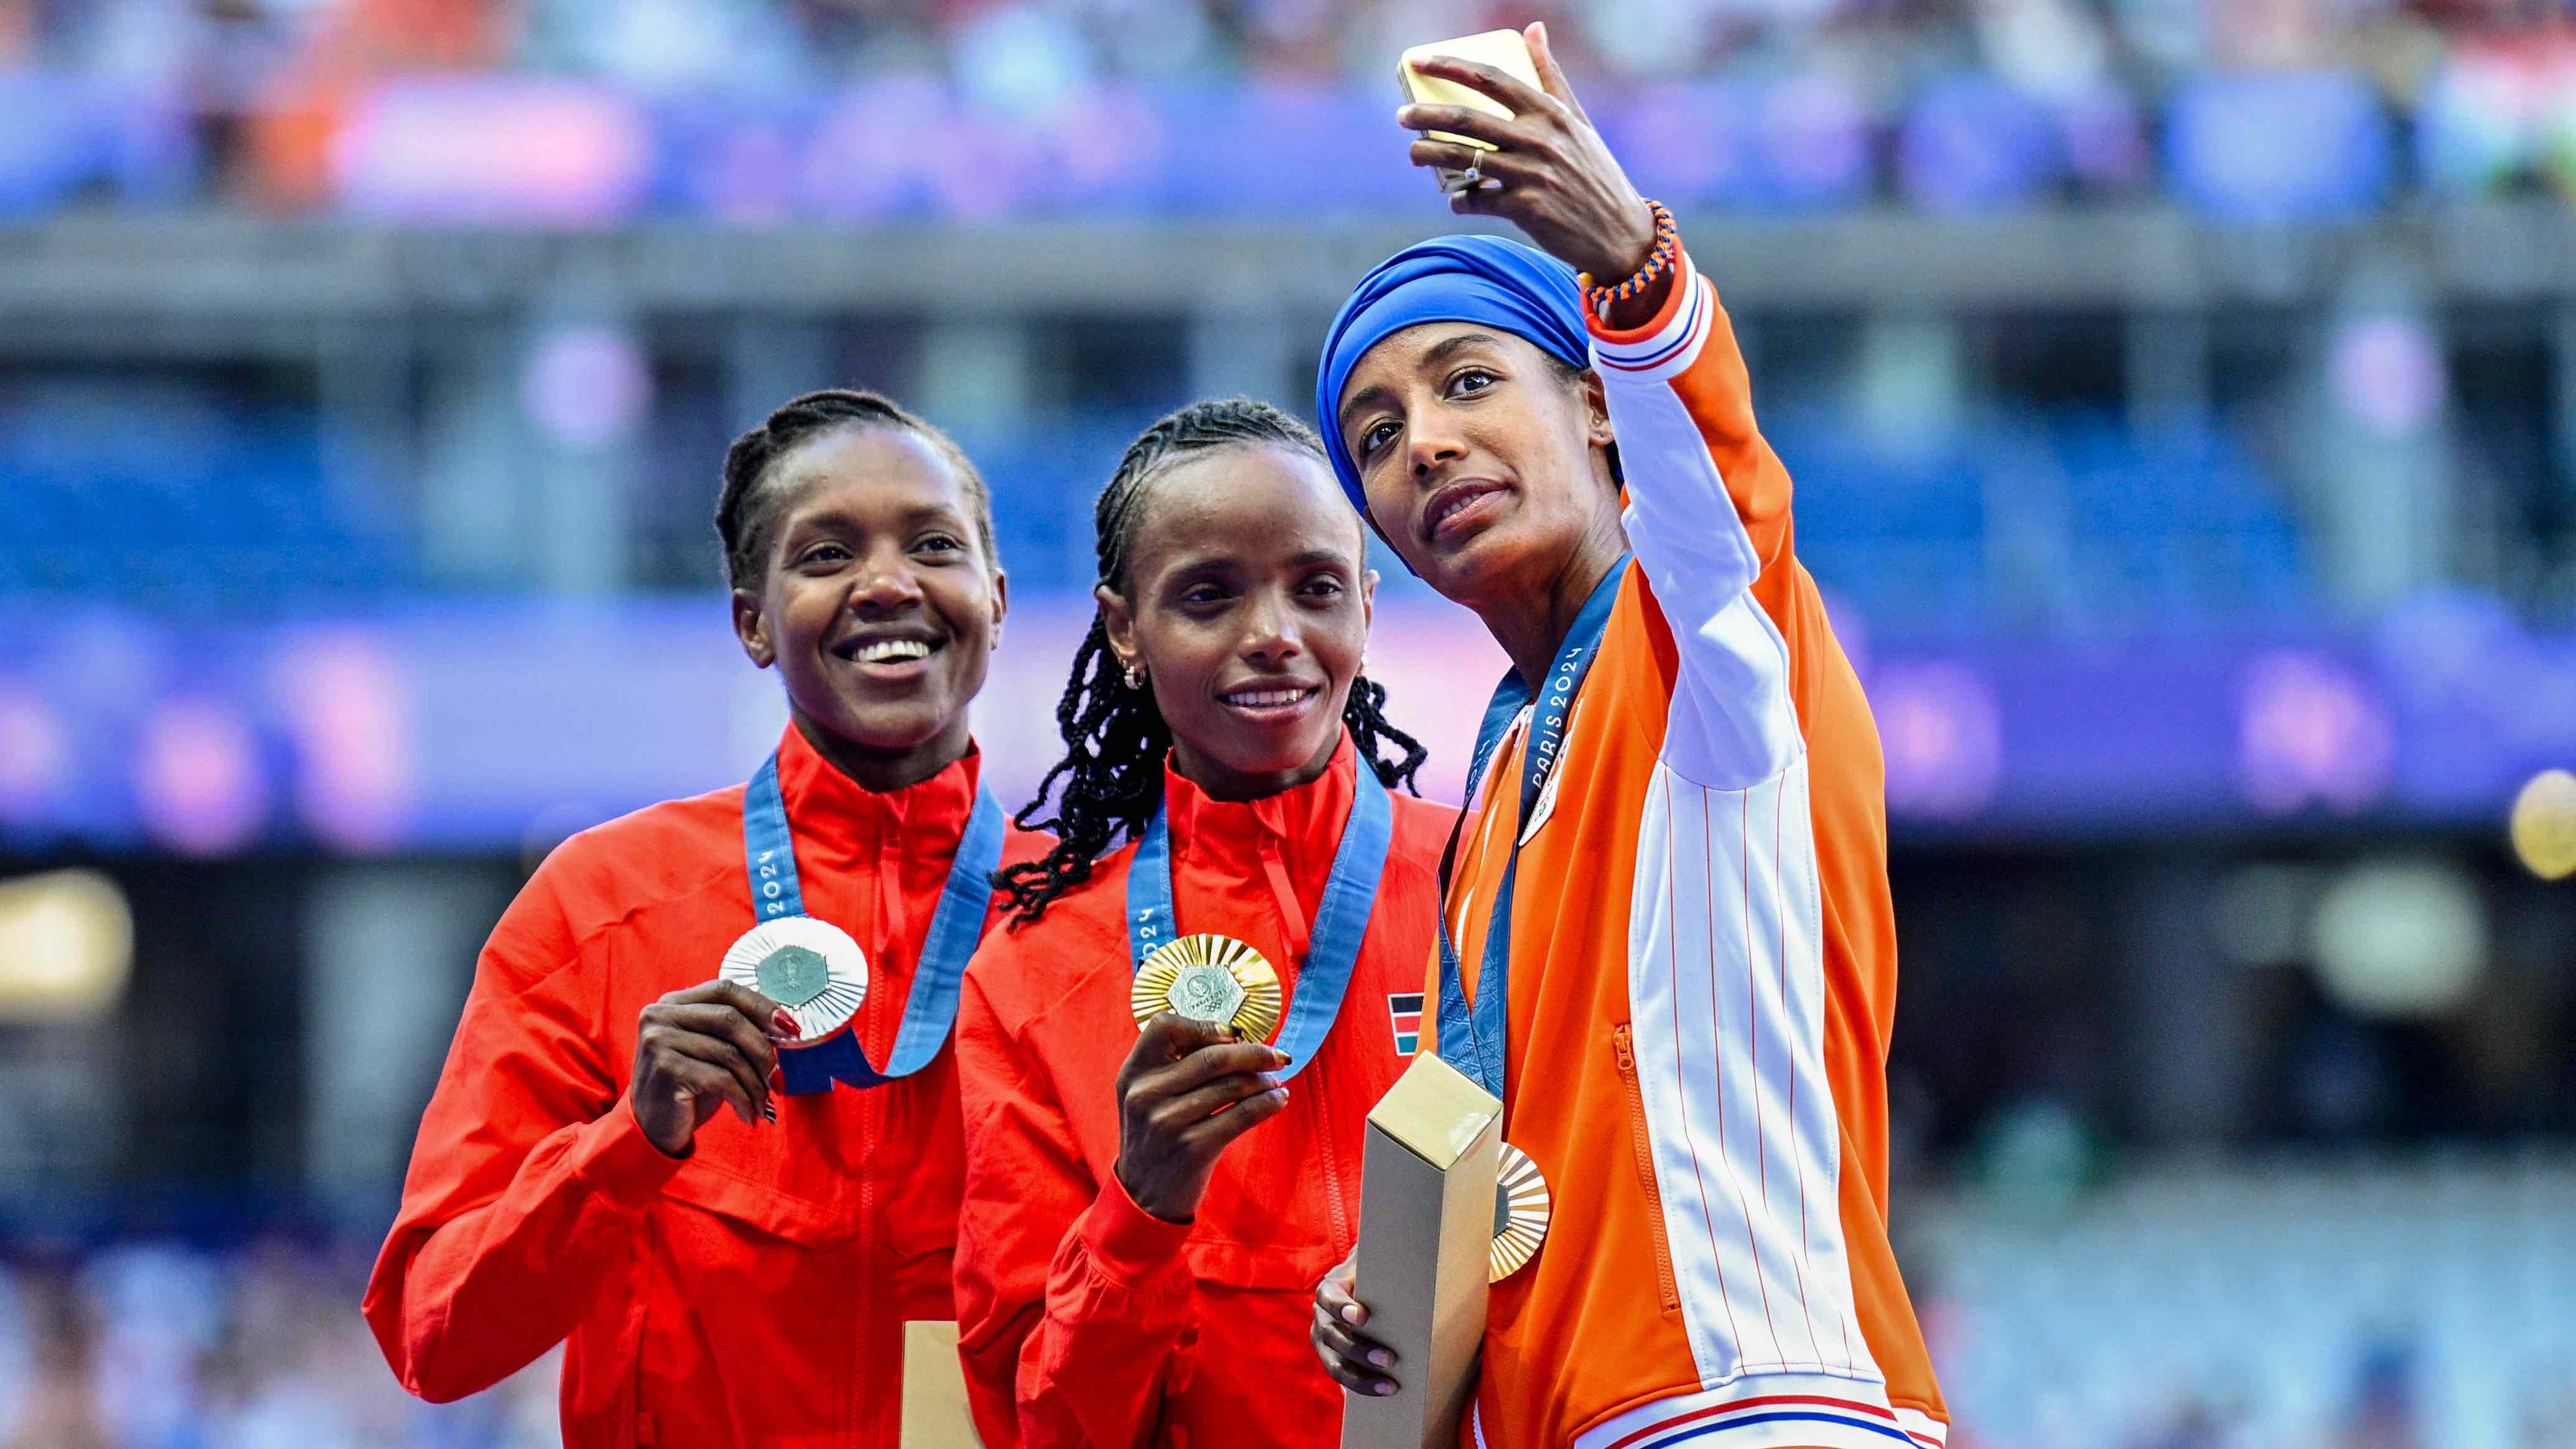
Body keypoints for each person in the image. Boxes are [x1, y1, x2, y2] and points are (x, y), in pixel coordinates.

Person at [1304, 24, 1950, 1449]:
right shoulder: (1491, 805)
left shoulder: (1701, 647)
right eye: (1376, 433)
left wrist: (1635, 276)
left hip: (1756, 1403)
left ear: (1598, 407)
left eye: (1471, 382)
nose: (1421, 444)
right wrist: (1401, 1284)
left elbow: (1722, 506)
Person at [363, 389, 1052, 1447]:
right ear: (751, 622)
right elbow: (434, 1334)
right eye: (826, 556)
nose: (887, 583)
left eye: (933, 544)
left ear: (996, 600)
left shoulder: (1081, 910)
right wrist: (628, 1144)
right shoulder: (601, 902)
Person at [951, 398, 1456, 1448]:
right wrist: (1141, 1208)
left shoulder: (1493, 875)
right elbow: (1039, 1428)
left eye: (1315, 588)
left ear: (1366, 603)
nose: (1274, 636)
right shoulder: (1033, 973)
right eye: (1209, 596)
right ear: (1125, 629)